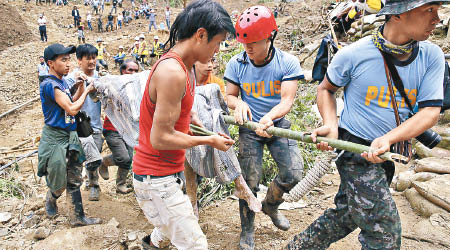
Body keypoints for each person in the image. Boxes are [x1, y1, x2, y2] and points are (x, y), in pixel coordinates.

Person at [283, 1, 446, 249]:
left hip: (387, 149)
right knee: (384, 233)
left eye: (437, 9)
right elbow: (326, 89)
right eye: (429, 10)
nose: (438, 18)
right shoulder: (354, 54)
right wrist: (331, 124)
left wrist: (390, 138)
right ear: (398, 13)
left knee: (347, 214)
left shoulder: (431, 56)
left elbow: (430, 111)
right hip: (355, 149)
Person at [132, 0, 235, 249]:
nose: (217, 51)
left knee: (168, 227)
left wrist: (193, 119)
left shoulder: (185, 68)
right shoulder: (173, 72)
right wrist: (208, 140)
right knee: (196, 245)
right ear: (201, 35)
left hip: (162, 174)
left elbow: (179, 111)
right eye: (218, 43)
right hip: (155, 178)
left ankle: (151, 244)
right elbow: (160, 138)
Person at [224, 6, 304, 250]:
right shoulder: (236, 63)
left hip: (277, 125)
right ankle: (247, 230)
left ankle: (271, 204)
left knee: (293, 174)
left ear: (270, 37)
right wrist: (238, 104)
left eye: (255, 42)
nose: (248, 48)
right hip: (249, 128)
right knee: (249, 180)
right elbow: (230, 95)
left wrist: (269, 118)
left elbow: (287, 100)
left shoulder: (287, 62)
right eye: (244, 42)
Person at [37, 43, 101, 226]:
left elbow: (72, 100)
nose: (68, 64)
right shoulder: (50, 85)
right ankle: (52, 196)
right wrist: (88, 90)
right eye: (63, 60)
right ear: (50, 63)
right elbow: (72, 109)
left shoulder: (62, 82)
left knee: (74, 176)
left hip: (70, 135)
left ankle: (77, 217)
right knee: (59, 179)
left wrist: (81, 86)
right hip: (55, 137)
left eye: (69, 59)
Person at [65, 44, 104, 201]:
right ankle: (87, 186)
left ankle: (93, 182)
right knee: (77, 159)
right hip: (76, 127)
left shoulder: (100, 79)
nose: (92, 61)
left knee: (94, 159)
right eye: (88, 58)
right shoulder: (70, 79)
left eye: (94, 57)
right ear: (79, 60)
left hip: (94, 125)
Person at [98, 59, 139, 194]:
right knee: (124, 158)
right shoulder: (113, 84)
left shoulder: (136, 87)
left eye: (136, 71)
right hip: (112, 129)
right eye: (130, 70)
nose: (133, 73)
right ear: (123, 71)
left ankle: (120, 185)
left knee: (129, 159)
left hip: (128, 129)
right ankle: (104, 162)